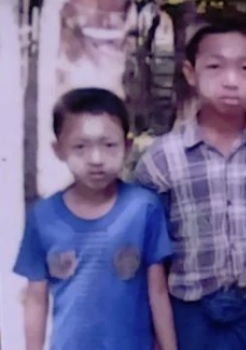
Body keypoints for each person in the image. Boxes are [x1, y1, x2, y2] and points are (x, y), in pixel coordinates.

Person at [134, 14, 246, 349]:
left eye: (245, 68)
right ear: (190, 73)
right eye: (215, 67)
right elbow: (150, 257)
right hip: (190, 314)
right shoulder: (163, 159)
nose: (231, 80)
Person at [14, 87, 176, 350]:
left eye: (109, 145)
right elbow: (36, 299)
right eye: (80, 147)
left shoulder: (144, 209)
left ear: (127, 145)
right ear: (59, 150)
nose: (96, 159)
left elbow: (157, 292)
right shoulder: (43, 218)